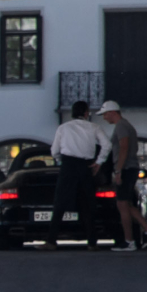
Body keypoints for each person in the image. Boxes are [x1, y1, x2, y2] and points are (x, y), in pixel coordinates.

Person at [99, 101, 147, 251]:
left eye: (105, 114)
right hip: (129, 168)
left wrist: (118, 170)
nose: (104, 117)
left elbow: (124, 147)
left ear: (113, 112)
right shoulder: (124, 125)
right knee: (126, 204)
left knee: (122, 204)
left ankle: (130, 241)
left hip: (126, 168)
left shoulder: (121, 126)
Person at [52, 100, 105, 244]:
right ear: (86, 113)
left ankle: (51, 241)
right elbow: (107, 144)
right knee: (88, 203)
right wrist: (98, 162)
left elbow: (55, 151)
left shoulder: (63, 128)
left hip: (68, 165)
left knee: (60, 202)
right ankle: (92, 243)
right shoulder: (94, 127)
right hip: (85, 166)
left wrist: (60, 160)